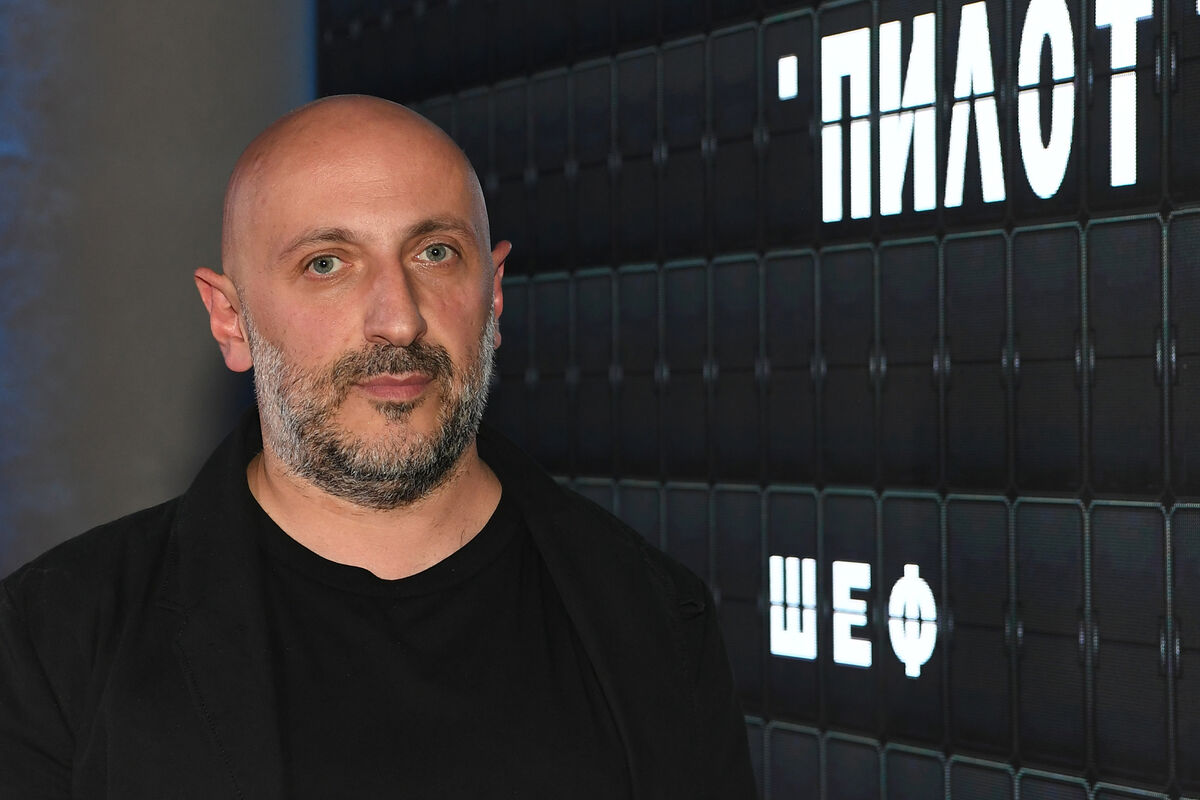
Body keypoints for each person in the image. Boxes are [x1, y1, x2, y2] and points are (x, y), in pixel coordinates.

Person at [0, 95, 755, 798]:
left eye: (435, 253)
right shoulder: (56, 639)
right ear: (231, 320)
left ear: (493, 296)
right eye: (327, 263)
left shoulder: (654, 619)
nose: (399, 319)